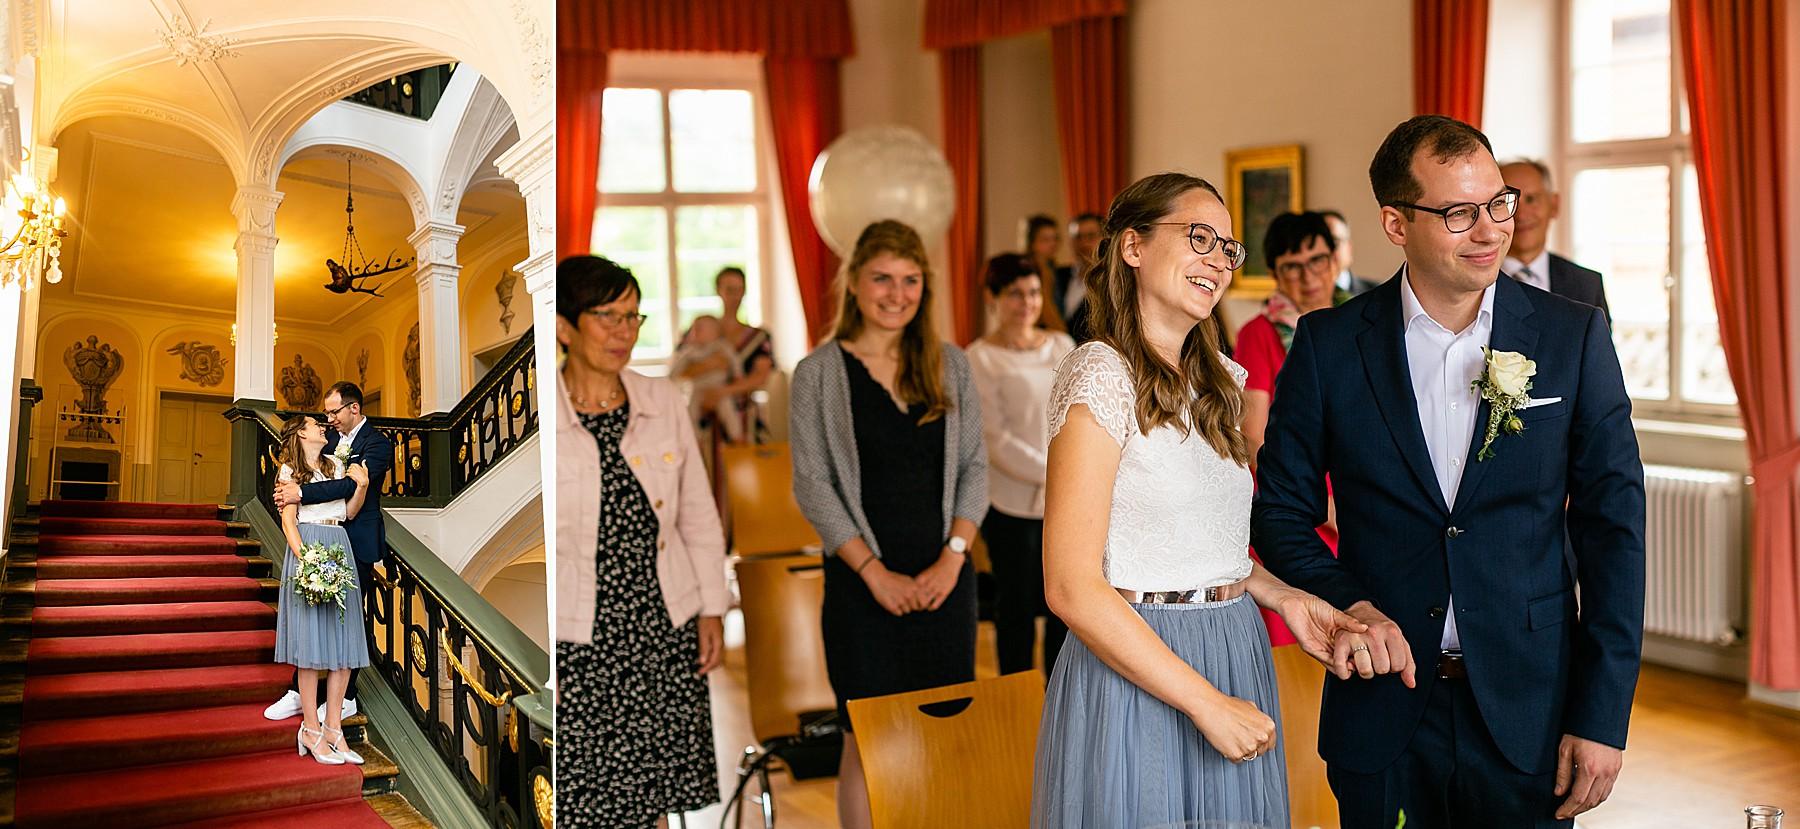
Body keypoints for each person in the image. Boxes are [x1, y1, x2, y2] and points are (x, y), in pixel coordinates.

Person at [1253, 115, 1646, 828]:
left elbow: (1614, 529)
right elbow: (1281, 513)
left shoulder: (1572, 335)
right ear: (1396, 223)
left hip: (1532, 712)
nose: (1492, 230)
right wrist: (1353, 605)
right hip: (1382, 709)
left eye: (1499, 203)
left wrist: (1604, 713)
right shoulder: (1330, 344)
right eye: (1460, 213)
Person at [1030, 173, 1366, 827]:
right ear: (1133, 245)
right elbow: (1070, 585)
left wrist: (1286, 597)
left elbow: (1207, 550)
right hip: (1140, 659)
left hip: (1232, 643)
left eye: (1228, 248)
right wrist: (1202, 701)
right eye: (1199, 237)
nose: (1218, 259)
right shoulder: (1100, 373)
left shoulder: (1218, 380)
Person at [789, 220, 988, 829]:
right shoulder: (818, 374)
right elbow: (813, 486)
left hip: (945, 585)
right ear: (853, 284)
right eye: (881, 278)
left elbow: (975, 469)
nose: (896, 294)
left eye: (910, 280)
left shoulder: (949, 365)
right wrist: (874, 575)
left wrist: (954, 557)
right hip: (860, 588)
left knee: (941, 732)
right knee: (866, 738)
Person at [554, 255, 728, 826]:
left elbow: (698, 516)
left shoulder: (662, 401)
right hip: (584, 634)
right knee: (587, 798)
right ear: (564, 326)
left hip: (661, 621)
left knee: (653, 794)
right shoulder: (547, 414)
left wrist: (712, 608)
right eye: (608, 315)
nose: (624, 331)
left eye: (633, 316)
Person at [966, 253, 1077, 677]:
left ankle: (1060, 698)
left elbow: (1077, 414)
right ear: (993, 298)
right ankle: (1017, 702)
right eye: (1015, 294)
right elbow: (995, 439)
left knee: (1063, 605)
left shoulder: (1061, 345)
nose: (1027, 302)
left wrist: (1070, 474)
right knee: (1015, 608)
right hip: (1012, 505)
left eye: (1033, 292)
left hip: (1065, 501)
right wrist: (1060, 471)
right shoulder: (980, 357)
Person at [265, 381, 392, 724]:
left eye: (334, 412)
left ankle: (347, 698)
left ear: (354, 408)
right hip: (318, 537)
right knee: (310, 619)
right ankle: (298, 692)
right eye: (324, 415)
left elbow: (349, 486)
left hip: (357, 541)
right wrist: (291, 490)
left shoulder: (378, 445)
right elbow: (310, 465)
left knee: (349, 619)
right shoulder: (329, 441)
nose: (328, 419)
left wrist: (299, 492)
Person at [271, 414, 371, 766]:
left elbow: (350, 511)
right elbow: (288, 521)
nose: (322, 429)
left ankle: (333, 729)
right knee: (312, 646)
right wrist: (307, 561)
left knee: (344, 645)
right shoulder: (288, 471)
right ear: (301, 433)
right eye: (316, 425)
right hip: (310, 546)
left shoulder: (335, 465)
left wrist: (360, 486)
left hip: (339, 542)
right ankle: (310, 728)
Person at [1238, 211, 1349, 466]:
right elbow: (1254, 439)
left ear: (1334, 261)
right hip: (1299, 491)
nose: (1307, 276)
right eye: (1292, 267)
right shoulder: (1257, 334)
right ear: (1274, 274)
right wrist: (1311, 503)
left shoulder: (1363, 321)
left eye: (1317, 260)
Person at [1500, 158, 1611, 318]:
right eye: (1506, 202)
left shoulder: (1587, 285)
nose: (1520, 214)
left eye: (1531, 199)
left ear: (1554, 205)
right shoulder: (1471, 282)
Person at [671, 314, 746, 442]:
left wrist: (738, 375)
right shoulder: (689, 350)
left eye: (699, 328)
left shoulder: (722, 346)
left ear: (715, 333)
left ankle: (737, 436)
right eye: (693, 328)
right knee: (690, 409)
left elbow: (734, 361)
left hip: (719, 388)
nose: (694, 332)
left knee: (728, 408)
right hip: (697, 388)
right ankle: (694, 438)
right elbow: (675, 372)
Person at [1053, 212, 1104, 342]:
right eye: (1077, 237)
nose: (1084, 243)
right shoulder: (1057, 275)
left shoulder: (1113, 282)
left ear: (1104, 238)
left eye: (1091, 236)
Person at [1022, 214, 1069, 332]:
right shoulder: (1034, 269)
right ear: (1031, 242)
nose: (1052, 244)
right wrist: (1062, 333)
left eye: (1055, 238)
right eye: (1045, 240)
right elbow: (1046, 308)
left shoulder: (1051, 266)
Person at [1320, 209, 1380, 296]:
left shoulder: (1378, 294)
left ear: (1349, 247)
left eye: (1333, 241)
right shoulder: (1297, 298)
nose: (1326, 250)